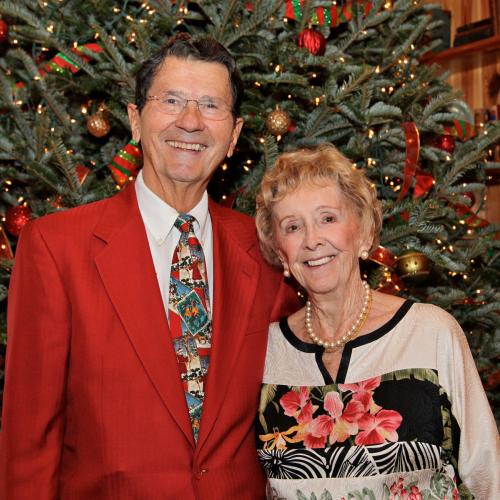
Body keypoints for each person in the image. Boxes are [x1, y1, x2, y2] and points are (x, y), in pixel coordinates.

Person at [0, 33, 297, 499]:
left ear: (234, 136)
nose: (191, 121)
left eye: (210, 106)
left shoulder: (265, 249)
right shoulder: (56, 248)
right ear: (135, 120)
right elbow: (29, 440)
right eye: (172, 100)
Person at [254, 143, 500, 499]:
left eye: (327, 218)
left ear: (364, 233)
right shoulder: (266, 352)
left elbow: (488, 474)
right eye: (293, 227)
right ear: (282, 254)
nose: (312, 240)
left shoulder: (431, 333)